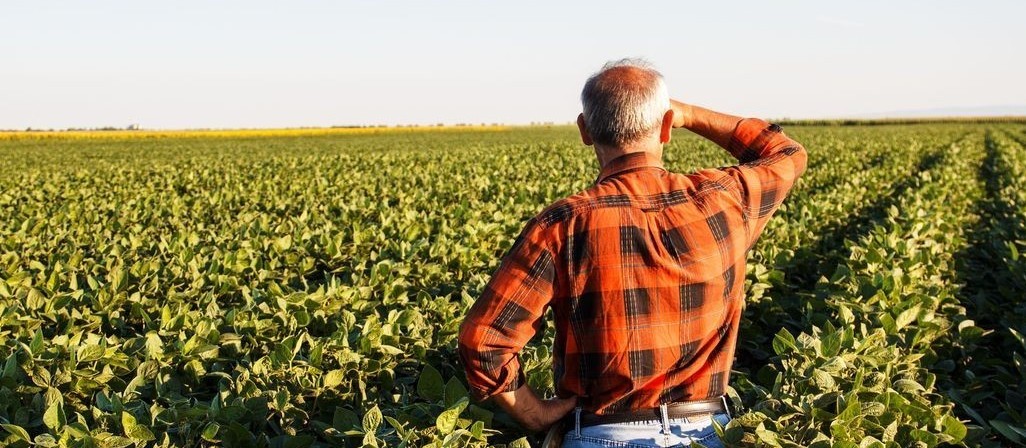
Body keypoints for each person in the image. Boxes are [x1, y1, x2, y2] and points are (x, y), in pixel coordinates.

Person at [457, 58, 807, 447]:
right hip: (706, 432)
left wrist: (534, 413)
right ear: (667, 126)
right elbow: (785, 153)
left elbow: (484, 341)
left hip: (598, 433)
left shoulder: (561, 225)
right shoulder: (724, 199)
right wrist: (689, 114)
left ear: (585, 130)